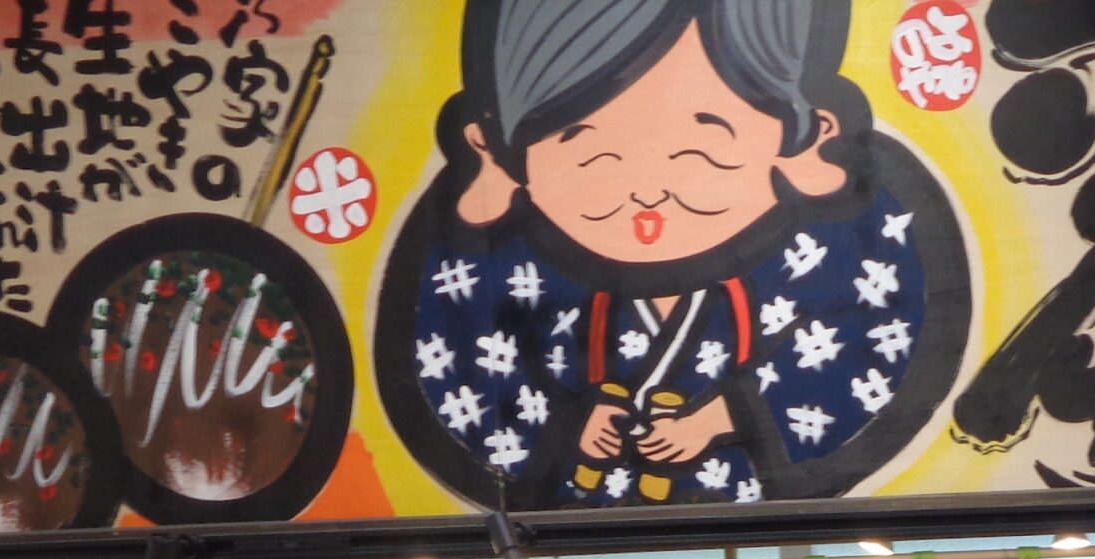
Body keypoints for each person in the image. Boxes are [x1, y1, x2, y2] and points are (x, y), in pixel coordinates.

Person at [383, 0, 967, 510]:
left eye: (702, 154)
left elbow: (868, 346)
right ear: (492, 150)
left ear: (811, 136)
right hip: (566, 547)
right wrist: (572, 423)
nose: (647, 192)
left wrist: (724, 416)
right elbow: (465, 365)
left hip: (764, 538)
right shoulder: (498, 269)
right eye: (593, 160)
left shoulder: (851, 251)